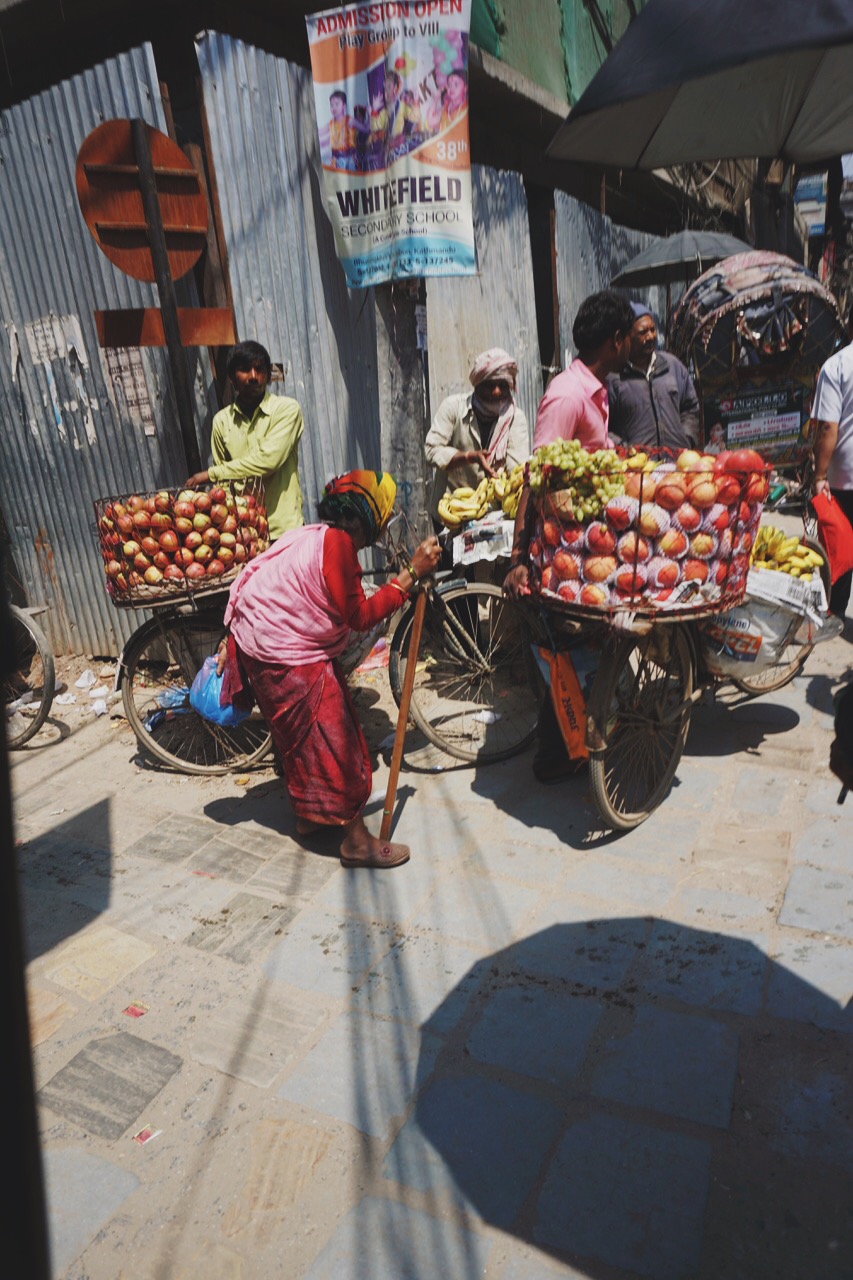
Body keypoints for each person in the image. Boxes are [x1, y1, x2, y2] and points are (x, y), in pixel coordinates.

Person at [219, 470, 441, 868]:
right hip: (281, 653)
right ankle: (355, 841)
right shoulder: (337, 546)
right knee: (333, 741)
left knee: (302, 740)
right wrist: (410, 576)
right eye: (381, 514)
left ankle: (311, 817)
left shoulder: (315, 534)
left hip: (262, 643)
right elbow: (360, 616)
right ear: (363, 518)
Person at [504, 290, 634, 783]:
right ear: (616, 340)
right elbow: (538, 477)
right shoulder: (568, 394)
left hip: (586, 555)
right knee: (569, 656)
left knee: (578, 656)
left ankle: (568, 748)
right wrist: (519, 555)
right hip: (559, 560)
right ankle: (560, 754)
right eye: (629, 339)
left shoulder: (596, 390)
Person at [186, 340, 304, 541]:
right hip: (245, 534)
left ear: (267, 375)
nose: (253, 376)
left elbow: (268, 461)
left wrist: (211, 474)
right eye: (244, 370)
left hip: (284, 531)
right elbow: (224, 487)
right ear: (232, 377)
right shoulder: (222, 422)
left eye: (259, 370)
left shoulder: (286, 410)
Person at [424, 348, 530, 520]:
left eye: (502, 385)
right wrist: (469, 457)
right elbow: (431, 450)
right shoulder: (453, 408)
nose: (496, 392)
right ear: (477, 384)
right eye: (490, 385)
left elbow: (517, 469)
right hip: (451, 511)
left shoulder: (515, 418)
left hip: (493, 515)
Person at [607, 302, 700, 450]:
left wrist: (686, 438)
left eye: (652, 329)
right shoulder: (614, 377)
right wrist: (625, 450)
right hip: (638, 469)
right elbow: (603, 426)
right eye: (642, 332)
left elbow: (690, 407)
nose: (650, 336)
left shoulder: (672, 366)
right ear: (626, 337)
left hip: (677, 463)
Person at [811, 306, 853, 619]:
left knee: (839, 550)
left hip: (844, 478)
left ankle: (834, 615)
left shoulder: (837, 365)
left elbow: (828, 427)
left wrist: (819, 475)